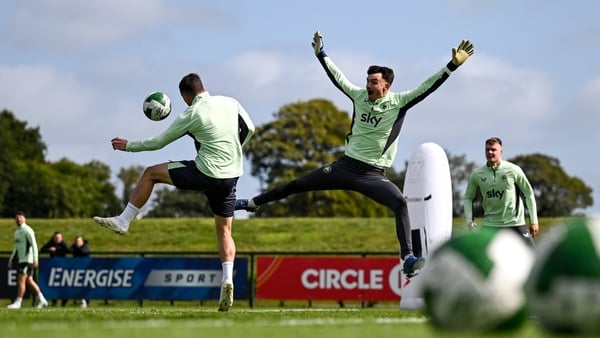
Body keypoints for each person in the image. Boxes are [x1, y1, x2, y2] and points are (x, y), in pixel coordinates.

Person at [235, 31, 475, 277]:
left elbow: (428, 86)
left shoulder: (400, 102)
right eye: (367, 80)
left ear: (386, 86)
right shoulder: (359, 97)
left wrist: (452, 66)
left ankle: (408, 258)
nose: (367, 85)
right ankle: (254, 203)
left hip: (372, 175)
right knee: (298, 184)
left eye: (373, 82)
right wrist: (321, 54)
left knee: (399, 203)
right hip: (345, 167)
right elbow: (338, 78)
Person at [93, 72, 255, 312]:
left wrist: (129, 146)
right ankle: (228, 278)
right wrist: (233, 149)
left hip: (206, 172)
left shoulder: (191, 114)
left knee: (150, 173)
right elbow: (250, 129)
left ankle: (124, 220)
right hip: (231, 175)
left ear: (184, 95)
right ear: (203, 87)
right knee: (224, 231)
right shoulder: (230, 102)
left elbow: (159, 142)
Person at [463, 137, 539, 248]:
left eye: (493, 149)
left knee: (532, 256)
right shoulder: (477, 174)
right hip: (490, 225)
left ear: (501, 151)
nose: (490, 152)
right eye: (487, 149)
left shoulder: (514, 170)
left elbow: (529, 194)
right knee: (481, 261)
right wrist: (469, 220)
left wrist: (534, 221)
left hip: (515, 223)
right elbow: (468, 197)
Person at [7, 211, 49, 309]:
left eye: (21, 217)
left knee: (21, 279)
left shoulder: (28, 230)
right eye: (17, 218)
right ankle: (42, 299)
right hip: (22, 259)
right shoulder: (17, 232)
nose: (19, 219)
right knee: (29, 281)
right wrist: (11, 259)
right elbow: (16, 247)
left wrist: (35, 258)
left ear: (24, 219)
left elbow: (34, 244)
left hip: (28, 260)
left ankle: (18, 302)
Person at [39, 231, 70, 306]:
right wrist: (50, 249)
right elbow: (42, 250)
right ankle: (54, 301)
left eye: (58, 237)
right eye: (55, 238)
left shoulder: (63, 244)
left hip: (62, 268)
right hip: (53, 268)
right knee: (54, 286)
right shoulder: (51, 243)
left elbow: (67, 251)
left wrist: (56, 250)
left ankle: (64, 302)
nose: (57, 239)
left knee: (63, 285)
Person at [70, 235, 91, 308]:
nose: (77, 243)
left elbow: (83, 251)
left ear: (82, 241)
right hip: (77, 270)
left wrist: (77, 248)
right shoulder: (74, 247)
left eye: (79, 241)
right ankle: (83, 301)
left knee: (84, 285)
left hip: (85, 270)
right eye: (76, 241)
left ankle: (85, 301)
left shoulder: (85, 246)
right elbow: (70, 250)